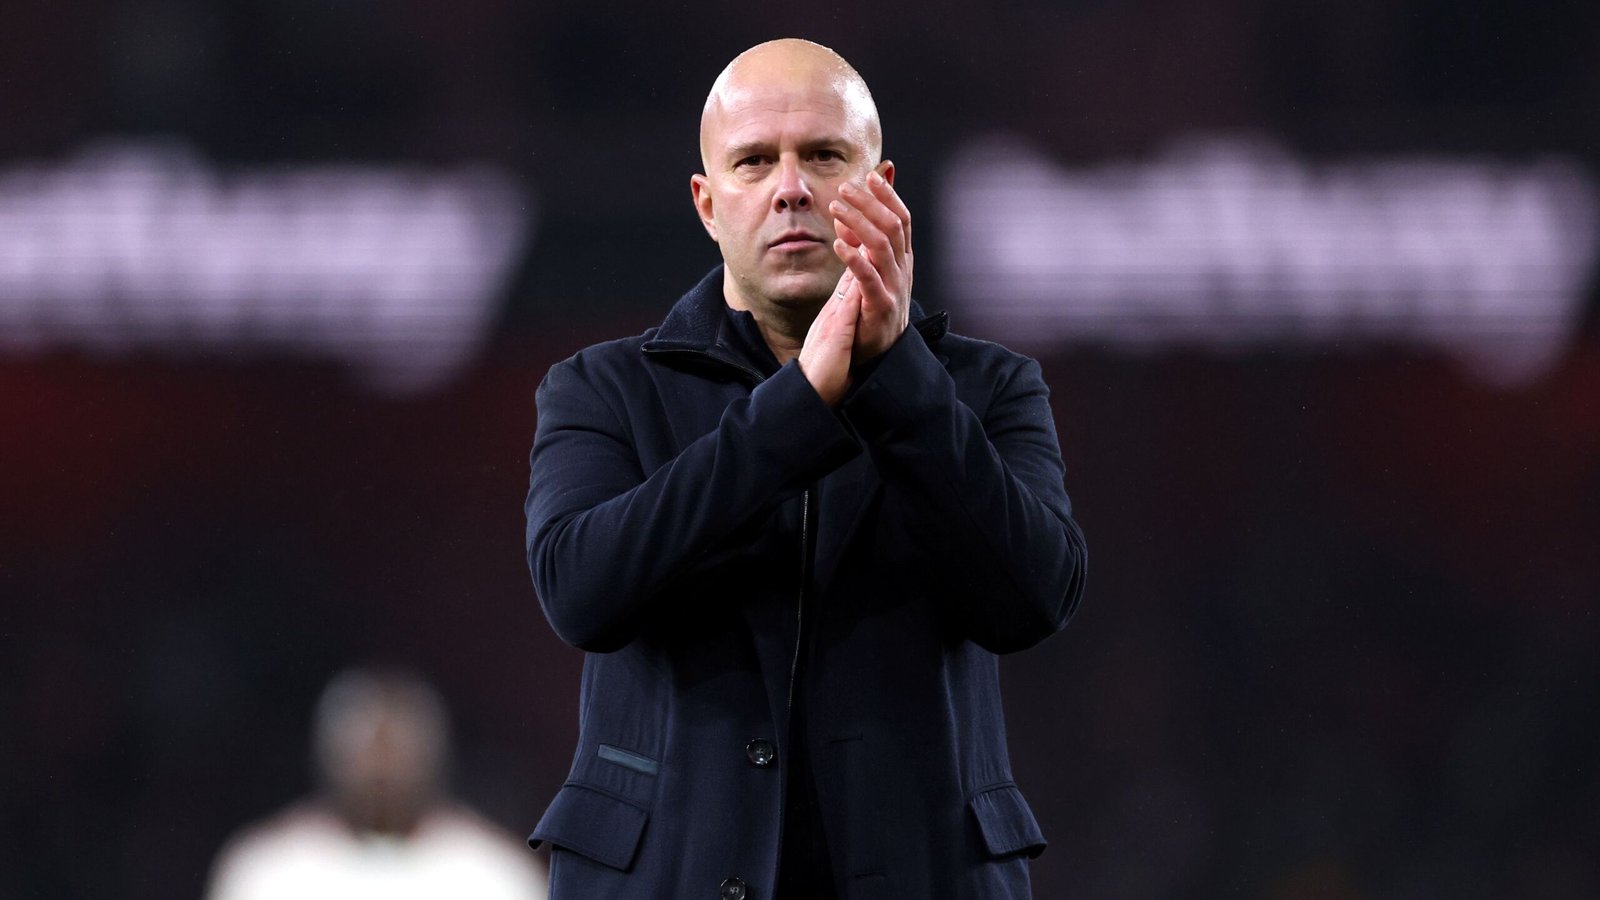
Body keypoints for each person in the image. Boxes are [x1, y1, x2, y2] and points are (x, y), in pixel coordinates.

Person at [523, 38, 1087, 900]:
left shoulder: (990, 388)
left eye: (824, 156)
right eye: (755, 162)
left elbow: (1032, 595)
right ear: (709, 206)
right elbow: (582, 590)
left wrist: (899, 380)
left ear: (883, 188)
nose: (791, 188)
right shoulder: (601, 389)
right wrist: (799, 408)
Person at [205, 668, 548, 900]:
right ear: (331, 754)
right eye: (367, 749)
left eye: (397, 749)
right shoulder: (267, 870)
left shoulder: (495, 875)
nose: (382, 769)